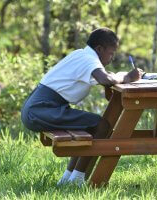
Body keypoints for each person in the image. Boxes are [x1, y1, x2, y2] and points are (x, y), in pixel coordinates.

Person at [21, 27, 143, 186]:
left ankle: (68, 179)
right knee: (101, 125)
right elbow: (105, 79)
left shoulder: (81, 54)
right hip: (41, 109)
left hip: (39, 108)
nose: (112, 58)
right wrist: (128, 77)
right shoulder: (88, 59)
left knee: (93, 126)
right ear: (99, 49)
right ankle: (77, 179)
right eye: (111, 53)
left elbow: (103, 78)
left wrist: (117, 78)